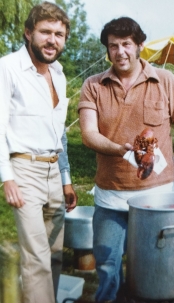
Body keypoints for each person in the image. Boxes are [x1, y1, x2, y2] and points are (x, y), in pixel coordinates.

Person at [78, 17, 174, 303]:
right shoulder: (93, 85)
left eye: (126, 44)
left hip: (157, 199)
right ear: (107, 50)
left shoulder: (165, 80)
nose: (120, 52)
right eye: (113, 46)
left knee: (158, 266)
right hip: (110, 196)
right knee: (107, 264)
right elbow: (88, 134)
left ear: (139, 46)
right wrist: (120, 149)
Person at [0, 2, 77, 303]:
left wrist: (66, 178)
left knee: (55, 253)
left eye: (59, 34)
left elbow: (59, 133)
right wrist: (7, 178)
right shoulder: (7, 68)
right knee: (36, 258)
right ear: (29, 32)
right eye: (45, 32)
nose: (52, 40)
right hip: (25, 169)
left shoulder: (58, 74)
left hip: (53, 171)